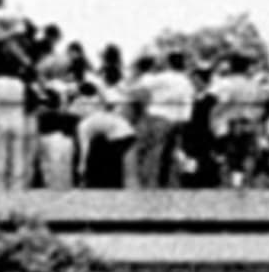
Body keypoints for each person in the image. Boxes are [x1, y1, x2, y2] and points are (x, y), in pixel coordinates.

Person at [138, 51, 195, 188]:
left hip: (157, 117)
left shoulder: (162, 78)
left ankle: (151, 186)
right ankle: (168, 185)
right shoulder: (186, 82)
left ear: (168, 63)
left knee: (154, 154)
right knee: (169, 157)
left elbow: (143, 85)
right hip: (177, 121)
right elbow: (188, 105)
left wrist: (148, 70)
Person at [210, 52, 265, 188]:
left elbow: (221, 104)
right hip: (251, 125)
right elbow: (262, 107)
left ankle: (230, 186)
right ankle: (245, 185)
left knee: (229, 159)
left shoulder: (227, 84)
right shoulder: (254, 85)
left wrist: (212, 119)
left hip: (230, 125)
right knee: (246, 158)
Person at [74, 81, 136, 188]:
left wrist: (82, 166)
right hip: (127, 133)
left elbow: (85, 147)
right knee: (114, 163)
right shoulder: (99, 108)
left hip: (119, 137)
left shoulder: (84, 125)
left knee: (111, 163)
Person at [0, 73, 34, 195]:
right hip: (17, 122)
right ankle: (17, 188)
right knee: (18, 156)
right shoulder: (20, 84)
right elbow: (28, 102)